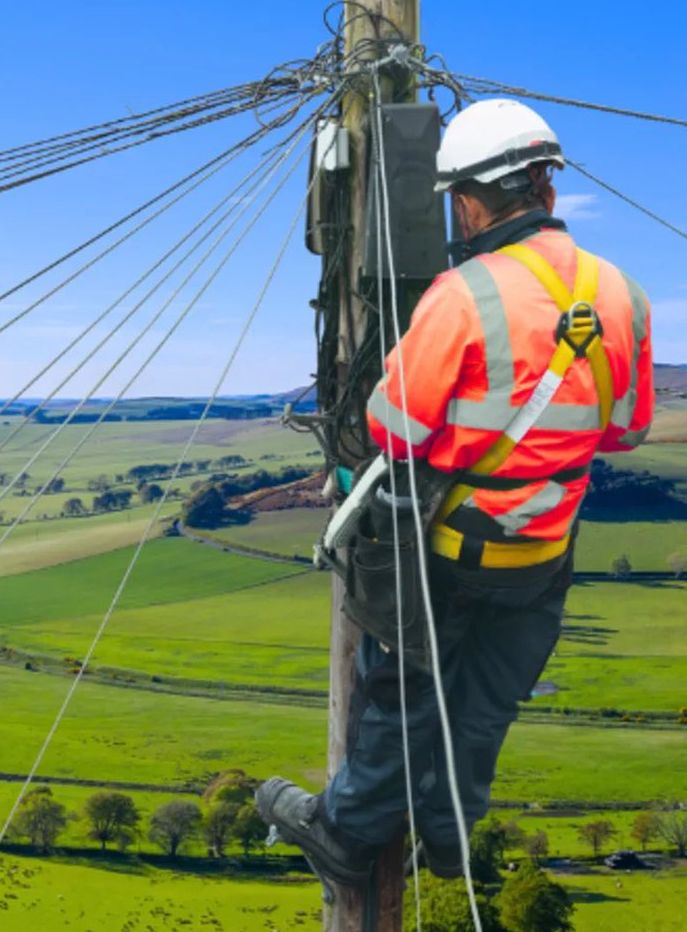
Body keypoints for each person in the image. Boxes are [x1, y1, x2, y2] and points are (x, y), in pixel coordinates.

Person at [257, 99, 654, 884]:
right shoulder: (623, 297)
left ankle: (345, 830)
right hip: (543, 550)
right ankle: (450, 837)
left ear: (469, 199)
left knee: (401, 689)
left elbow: (395, 430)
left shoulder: (464, 294)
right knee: (484, 704)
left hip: (449, 547)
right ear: (545, 187)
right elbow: (624, 431)